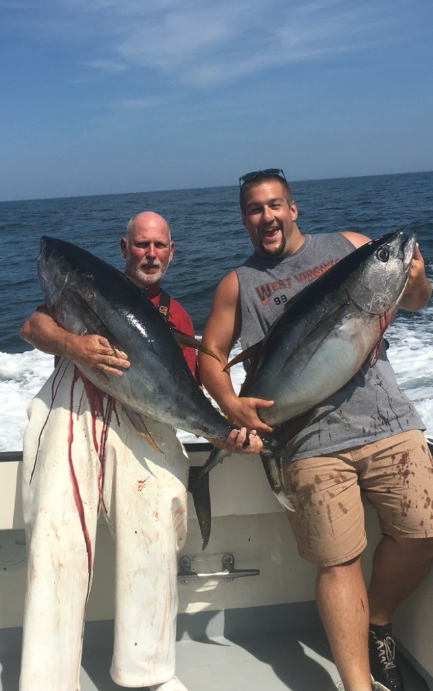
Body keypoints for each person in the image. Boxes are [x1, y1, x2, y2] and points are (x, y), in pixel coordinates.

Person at [198, 169, 433, 691]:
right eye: (256, 209)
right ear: (244, 220)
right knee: (337, 560)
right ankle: (357, 686)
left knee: (423, 533)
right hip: (308, 443)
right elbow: (211, 356)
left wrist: (413, 278)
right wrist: (231, 405)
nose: (268, 217)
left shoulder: (352, 246)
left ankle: (376, 624)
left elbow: (414, 301)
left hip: (388, 422)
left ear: (294, 207)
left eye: (275, 205)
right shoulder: (239, 284)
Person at [19, 210, 259, 691]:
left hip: (145, 428)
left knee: (152, 544)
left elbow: (183, 392)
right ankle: (46, 681)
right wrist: (75, 345)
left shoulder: (178, 315)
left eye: (160, 246)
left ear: (171, 252)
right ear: (124, 249)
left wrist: (225, 432)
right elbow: (31, 327)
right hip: (75, 415)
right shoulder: (90, 288)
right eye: (142, 245)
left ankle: (146, 673)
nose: (151, 254)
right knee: (56, 543)